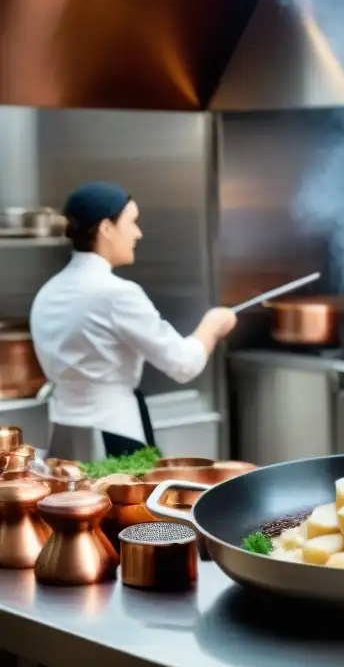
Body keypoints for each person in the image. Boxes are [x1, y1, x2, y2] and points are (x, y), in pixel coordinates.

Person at [29, 182, 237, 462]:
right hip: (115, 436)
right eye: (132, 222)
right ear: (106, 228)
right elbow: (183, 363)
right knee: (125, 505)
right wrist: (212, 325)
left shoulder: (48, 291)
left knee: (74, 504)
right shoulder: (117, 294)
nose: (138, 233)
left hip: (64, 438)